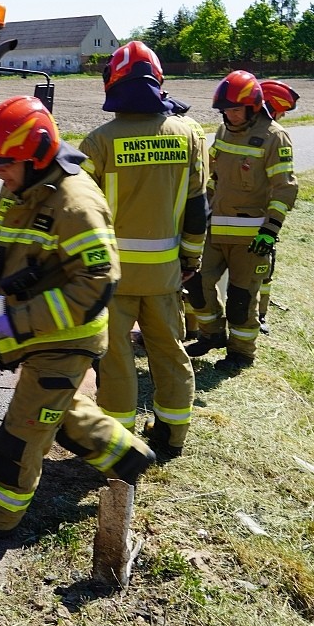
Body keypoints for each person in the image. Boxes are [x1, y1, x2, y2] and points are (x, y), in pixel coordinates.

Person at [0, 95, 156, 549]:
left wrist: (16, 325)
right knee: (60, 412)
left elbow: (96, 284)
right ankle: (127, 459)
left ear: (37, 154)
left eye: (5, 164)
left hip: (67, 338)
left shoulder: (76, 203)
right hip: (35, 330)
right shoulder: (21, 187)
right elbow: (11, 255)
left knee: (17, 441)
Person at [78, 41, 208, 458]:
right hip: (166, 273)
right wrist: (191, 258)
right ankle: (173, 436)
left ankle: (121, 444)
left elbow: (78, 210)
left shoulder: (97, 143)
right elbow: (197, 206)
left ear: (112, 86)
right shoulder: (189, 134)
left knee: (115, 360)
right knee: (169, 351)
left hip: (111, 278)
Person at [185, 71, 298, 372]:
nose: (230, 115)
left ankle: (241, 353)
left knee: (241, 297)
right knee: (196, 283)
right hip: (216, 229)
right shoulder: (223, 132)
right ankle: (212, 335)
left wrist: (269, 231)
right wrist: (199, 210)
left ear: (253, 107)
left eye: (235, 110)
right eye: (225, 110)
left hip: (252, 237)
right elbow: (213, 176)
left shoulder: (274, 137)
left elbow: (285, 188)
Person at [255, 80, 300, 333]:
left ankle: (261, 313)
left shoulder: (275, 136)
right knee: (262, 268)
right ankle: (259, 315)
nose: (282, 117)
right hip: (257, 214)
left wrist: (271, 226)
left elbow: (284, 185)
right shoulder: (272, 135)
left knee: (264, 267)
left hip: (265, 215)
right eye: (281, 111)